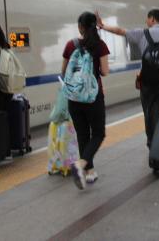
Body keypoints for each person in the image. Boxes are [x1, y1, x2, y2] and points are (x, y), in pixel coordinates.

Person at [96, 9, 159, 148]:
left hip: (146, 83)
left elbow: (120, 31)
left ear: (152, 19)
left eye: (147, 19)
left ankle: (151, 143)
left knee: (148, 114)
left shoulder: (142, 33)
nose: (146, 22)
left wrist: (103, 26)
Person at [62, 12, 110, 190]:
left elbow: (64, 71)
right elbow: (104, 71)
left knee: (83, 134)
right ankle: (81, 164)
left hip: (74, 98)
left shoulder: (71, 45)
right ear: (95, 25)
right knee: (98, 134)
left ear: (80, 27)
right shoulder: (100, 45)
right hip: (92, 97)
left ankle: (89, 173)